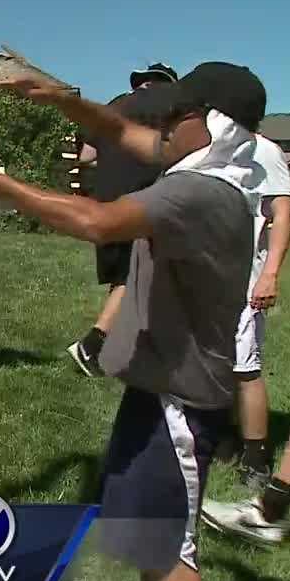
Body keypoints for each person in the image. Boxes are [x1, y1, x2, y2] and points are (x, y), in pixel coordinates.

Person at [0, 62, 267, 581]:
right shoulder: (204, 160)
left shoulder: (201, 191)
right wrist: (59, 99)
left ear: (214, 123)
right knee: (144, 521)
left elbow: (96, 221)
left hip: (181, 399)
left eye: (178, 115)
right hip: (156, 384)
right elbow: (123, 133)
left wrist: (2, 185)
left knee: (174, 549)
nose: (163, 126)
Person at [66, 63, 179, 377]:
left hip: (104, 200)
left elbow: (86, 156)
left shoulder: (115, 105)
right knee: (137, 273)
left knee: (123, 275)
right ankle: (91, 345)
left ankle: (123, 343)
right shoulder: (170, 108)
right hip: (142, 197)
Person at [227, 134, 290, 484]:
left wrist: (269, 275)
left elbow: (283, 213)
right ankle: (222, 436)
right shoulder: (200, 144)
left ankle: (256, 458)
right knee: (210, 364)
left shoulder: (264, 150)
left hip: (243, 280)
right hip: (198, 278)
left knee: (244, 368)